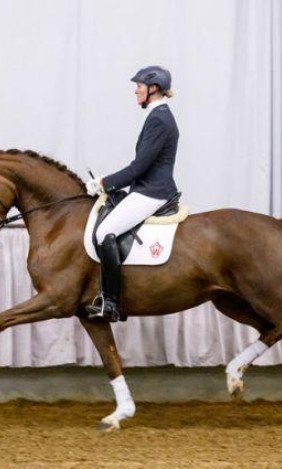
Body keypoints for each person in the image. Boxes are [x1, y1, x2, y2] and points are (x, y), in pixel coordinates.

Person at [84, 65, 180, 322]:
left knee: (104, 232)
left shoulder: (159, 119)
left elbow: (138, 167)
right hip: (147, 188)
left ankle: (111, 302)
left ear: (153, 89)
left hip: (152, 192)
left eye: (139, 86)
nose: (136, 91)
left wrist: (104, 184)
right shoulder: (156, 115)